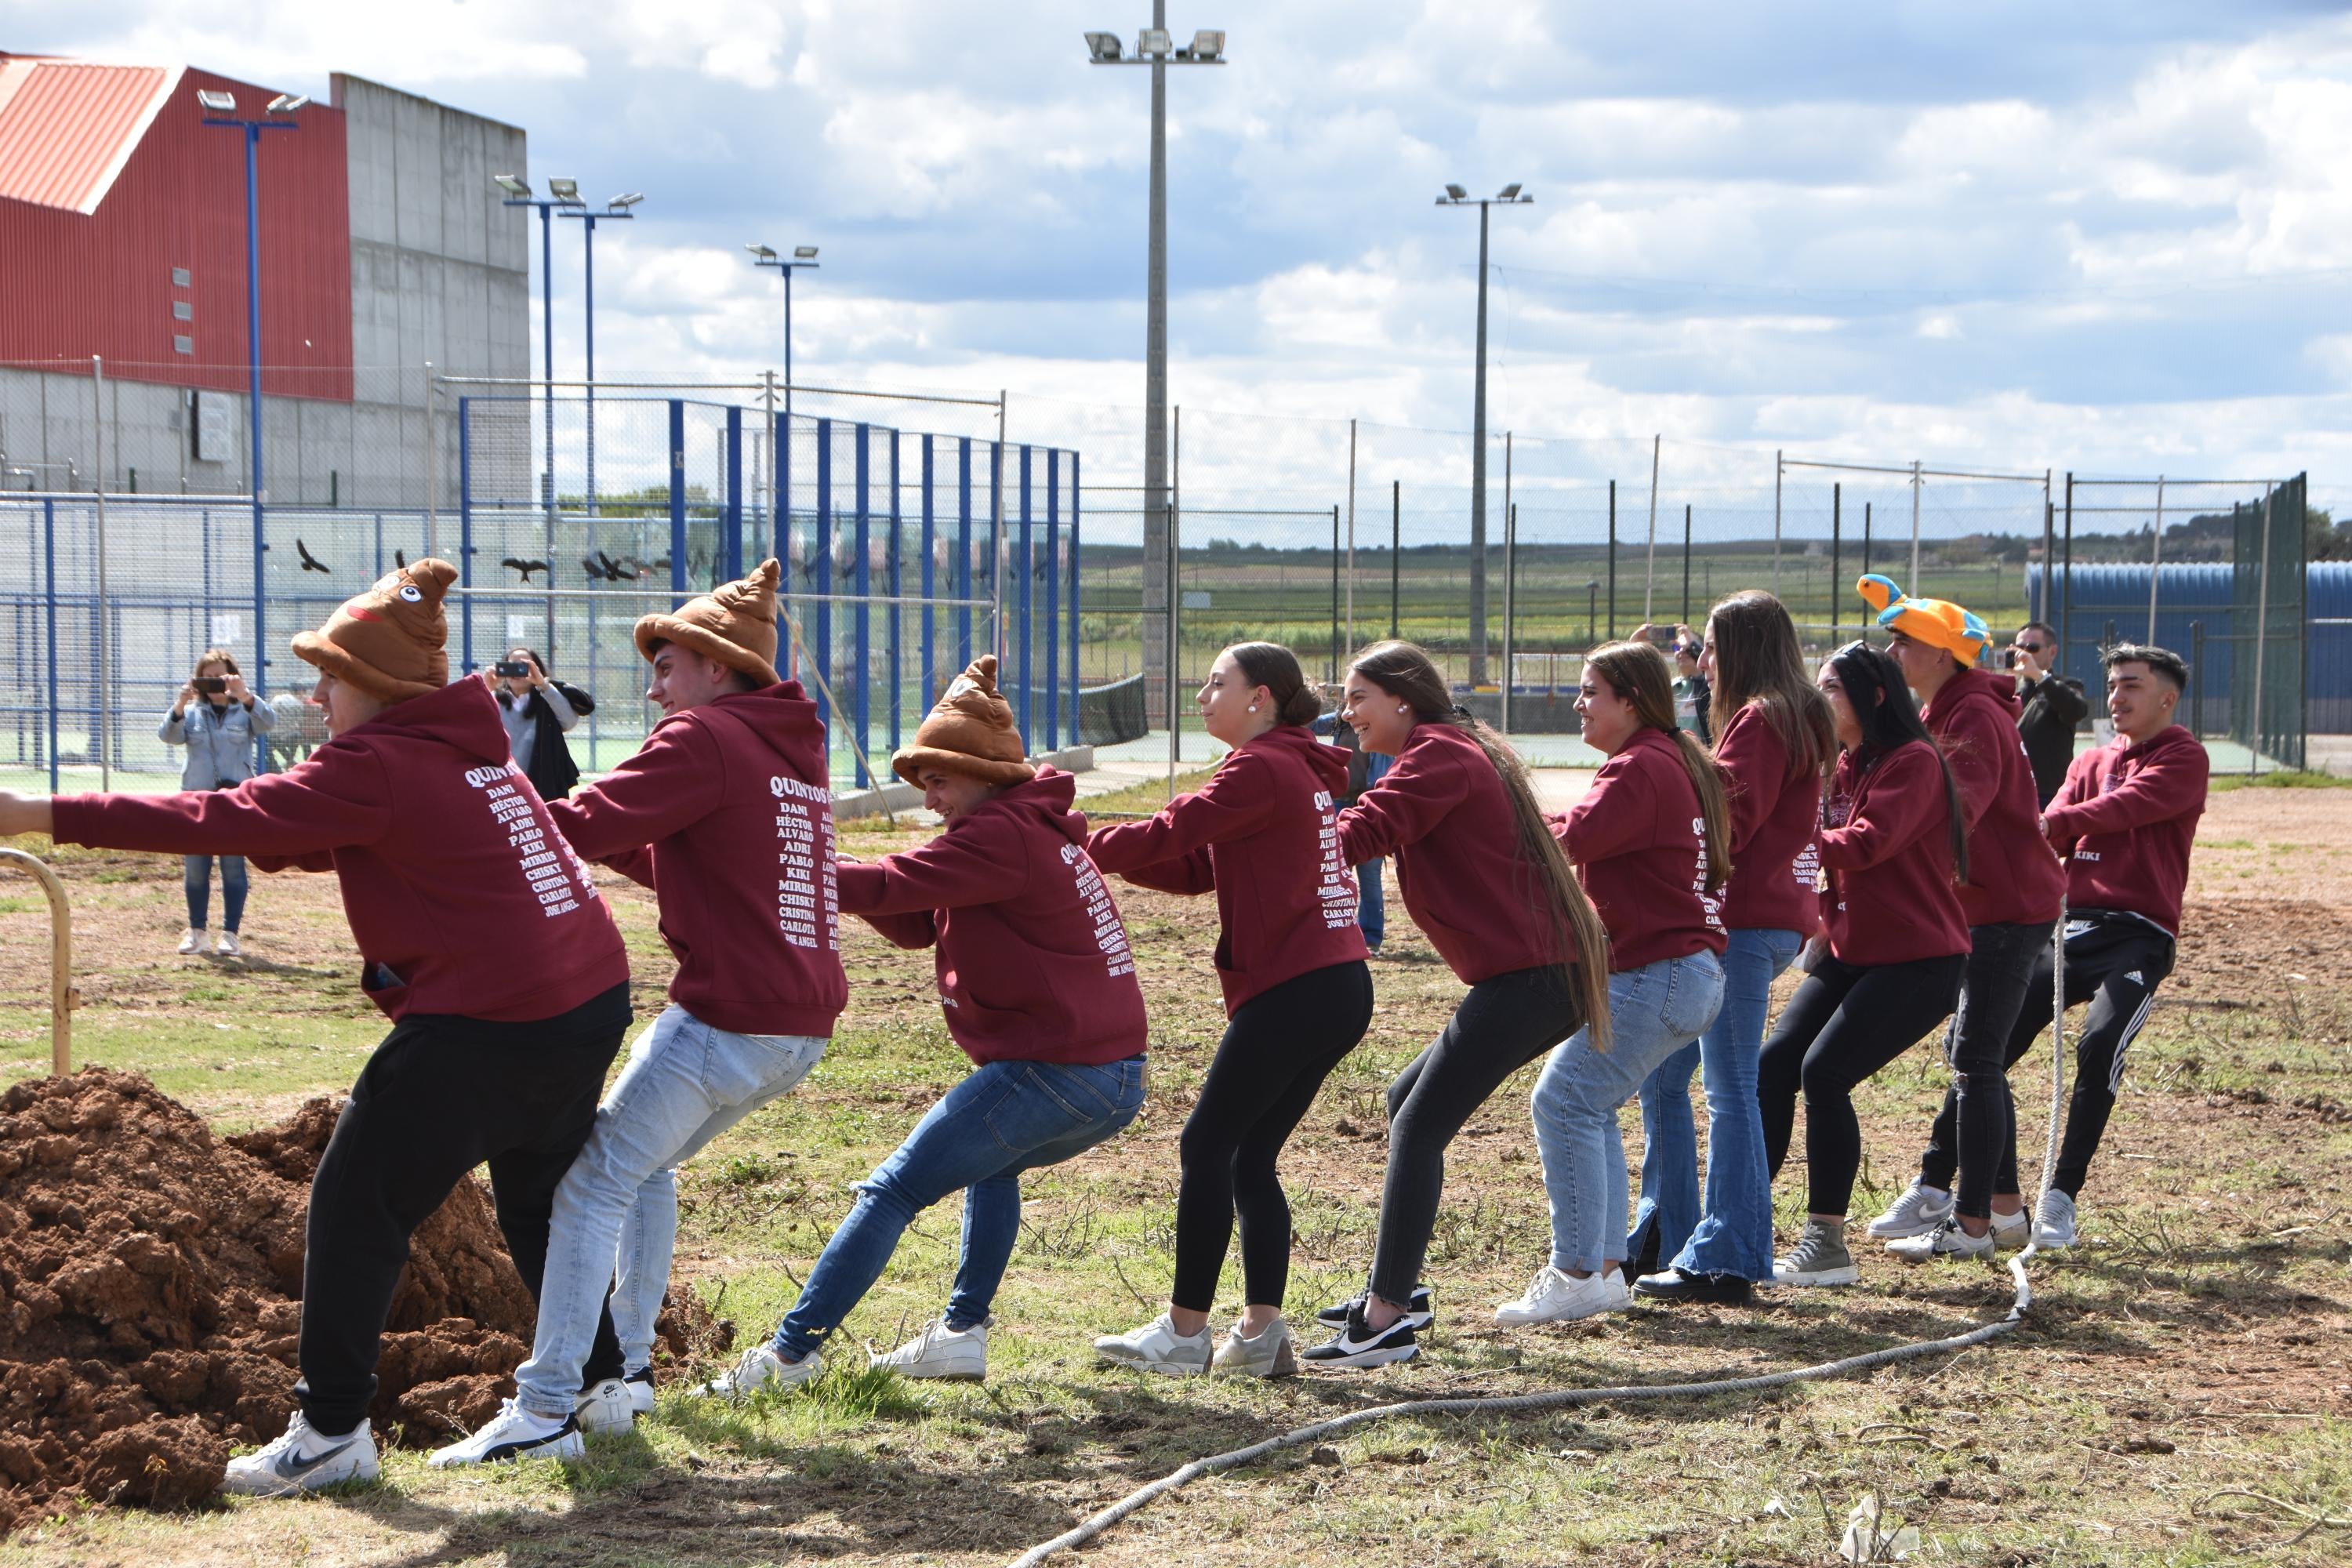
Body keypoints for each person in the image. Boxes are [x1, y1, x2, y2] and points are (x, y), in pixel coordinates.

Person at [0, 561, 632, 1496]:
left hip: (492, 1019)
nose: (316, 694)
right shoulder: (469, 747)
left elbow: (225, 813)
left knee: (353, 1204)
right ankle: (599, 1385)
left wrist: (37, 813)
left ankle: (332, 1429)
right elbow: (314, 832)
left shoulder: (376, 761)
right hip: (587, 1001)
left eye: (329, 677)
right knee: (537, 1198)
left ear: (373, 687)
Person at [429, 561, 846, 1468]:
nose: (653, 685)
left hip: (729, 1017)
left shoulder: (703, 739)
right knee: (644, 1164)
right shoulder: (790, 749)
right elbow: (715, 867)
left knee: (587, 1182)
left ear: (721, 668)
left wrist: (470, 811)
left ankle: (547, 1409)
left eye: (668, 666)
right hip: (799, 1024)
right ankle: (627, 1376)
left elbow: (582, 817)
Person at [694, 655, 1149, 1396]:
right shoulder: (1022, 827)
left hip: (1060, 1072)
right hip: (1111, 1077)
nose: (928, 798)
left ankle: (787, 1358)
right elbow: (912, 919)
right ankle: (961, 1335)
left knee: (891, 1191)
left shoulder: (1001, 835)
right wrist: (835, 869)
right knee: (990, 1166)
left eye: (937, 780)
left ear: (981, 771)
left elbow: (887, 885)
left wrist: (784, 859)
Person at [1302, 640, 1613, 1368]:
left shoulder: (1438, 757)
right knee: (1405, 1096)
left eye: (1357, 699)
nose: (1347, 716)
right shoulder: (1452, 745)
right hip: (1538, 972)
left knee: (1418, 1125)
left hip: (1536, 976)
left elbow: (1363, 831)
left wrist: (1282, 819)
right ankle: (1402, 1295)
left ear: (1402, 698)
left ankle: (1382, 1320)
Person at [1087, 643, 1373, 1377]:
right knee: (1249, 1156)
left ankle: (1185, 1335)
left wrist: (1076, 838)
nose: (1202, 695)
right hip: (1335, 987)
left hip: (1297, 987)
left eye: (1217, 683)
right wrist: (1101, 855)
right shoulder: (1290, 764)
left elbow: (1170, 830)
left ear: (1262, 697)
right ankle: (1261, 1334)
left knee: (1205, 1146)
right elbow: (1194, 865)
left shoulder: (1260, 766)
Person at [1900, 644, 2206, 1250]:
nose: (2116, 696)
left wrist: (2045, 825)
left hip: (2139, 936)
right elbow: (2056, 821)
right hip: (2068, 928)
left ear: (2168, 698)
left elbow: (2125, 808)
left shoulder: (2184, 757)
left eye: (2132, 686)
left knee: (2099, 1043)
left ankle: (2059, 1198)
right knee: (1980, 1045)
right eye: (2113, 685)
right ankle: (1945, 1184)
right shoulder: (2089, 760)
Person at [1501, 641, 1727, 1325]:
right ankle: (1600, 1271)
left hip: (1660, 974)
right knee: (1587, 1104)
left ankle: (1574, 1273)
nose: (1578, 703)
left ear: (1630, 701)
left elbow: (1568, 839)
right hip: (1677, 975)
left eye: (1590, 690)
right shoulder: (1664, 758)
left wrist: (1495, 809)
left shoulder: (1640, 768)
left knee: (1564, 1097)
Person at [1630, 591, 1835, 1305]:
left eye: (1712, 648)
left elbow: (1729, 822)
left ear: (1742, 649)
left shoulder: (1762, 718)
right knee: (1665, 1074)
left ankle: (1730, 1252)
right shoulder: (1796, 712)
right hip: (1769, 920)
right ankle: (1670, 1231)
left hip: (1744, 924)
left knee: (1729, 1088)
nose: (1704, 662)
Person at [1857, 578, 2067, 1261]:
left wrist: (1892, 857)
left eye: (1904, 641)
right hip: (1987, 906)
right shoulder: (1952, 708)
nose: (1892, 650)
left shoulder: (1972, 715)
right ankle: (2003, 1213)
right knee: (1975, 1058)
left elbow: (1956, 814)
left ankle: (1971, 1224)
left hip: (2007, 909)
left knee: (1976, 1059)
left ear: (1944, 655)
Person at [1755, 641, 1969, 1287]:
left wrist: (1782, 836)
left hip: (1920, 960)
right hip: (1851, 950)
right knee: (1773, 1065)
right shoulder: (1845, 763)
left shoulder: (1915, 761)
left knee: (1824, 1073)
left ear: (1876, 697)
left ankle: (1826, 1244)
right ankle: (1740, 1218)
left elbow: (1867, 844)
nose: (1820, 703)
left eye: (1832, 691)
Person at [161, 648, 274, 956]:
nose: (214, 683)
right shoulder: (192, 713)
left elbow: (269, 723)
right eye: (207, 677)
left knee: (233, 867)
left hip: (234, 800)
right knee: (196, 868)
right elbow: (168, 736)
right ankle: (197, 932)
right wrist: (181, 702)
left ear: (232, 676)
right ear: (198, 680)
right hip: (196, 800)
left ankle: (230, 935)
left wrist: (245, 694)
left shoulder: (245, 710)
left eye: (220, 677)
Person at [1316, 710, 1394, 949]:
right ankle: (1340, 932)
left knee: (1370, 876)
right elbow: (1310, 726)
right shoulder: (1341, 720)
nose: (1352, 708)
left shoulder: (1379, 728)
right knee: (1336, 875)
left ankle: (1370, 937)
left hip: (1369, 802)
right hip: (1340, 801)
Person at [487, 646, 593, 801]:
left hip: (541, 786)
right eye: (512, 666)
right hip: (503, 786)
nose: (517, 671)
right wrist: (486, 688)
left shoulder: (547, 699)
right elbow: (473, 728)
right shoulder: (493, 700)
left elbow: (569, 722)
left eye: (523, 666)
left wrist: (543, 685)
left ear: (535, 669)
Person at [2009, 621, 2087, 808]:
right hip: (2010, 790)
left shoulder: (2067, 685)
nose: (2024, 654)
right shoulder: (2008, 690)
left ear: (2052, 652)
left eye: (2032, 648)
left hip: (2048, 793)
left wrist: (2040, 677)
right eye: (2018, 648)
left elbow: (2076, 710)